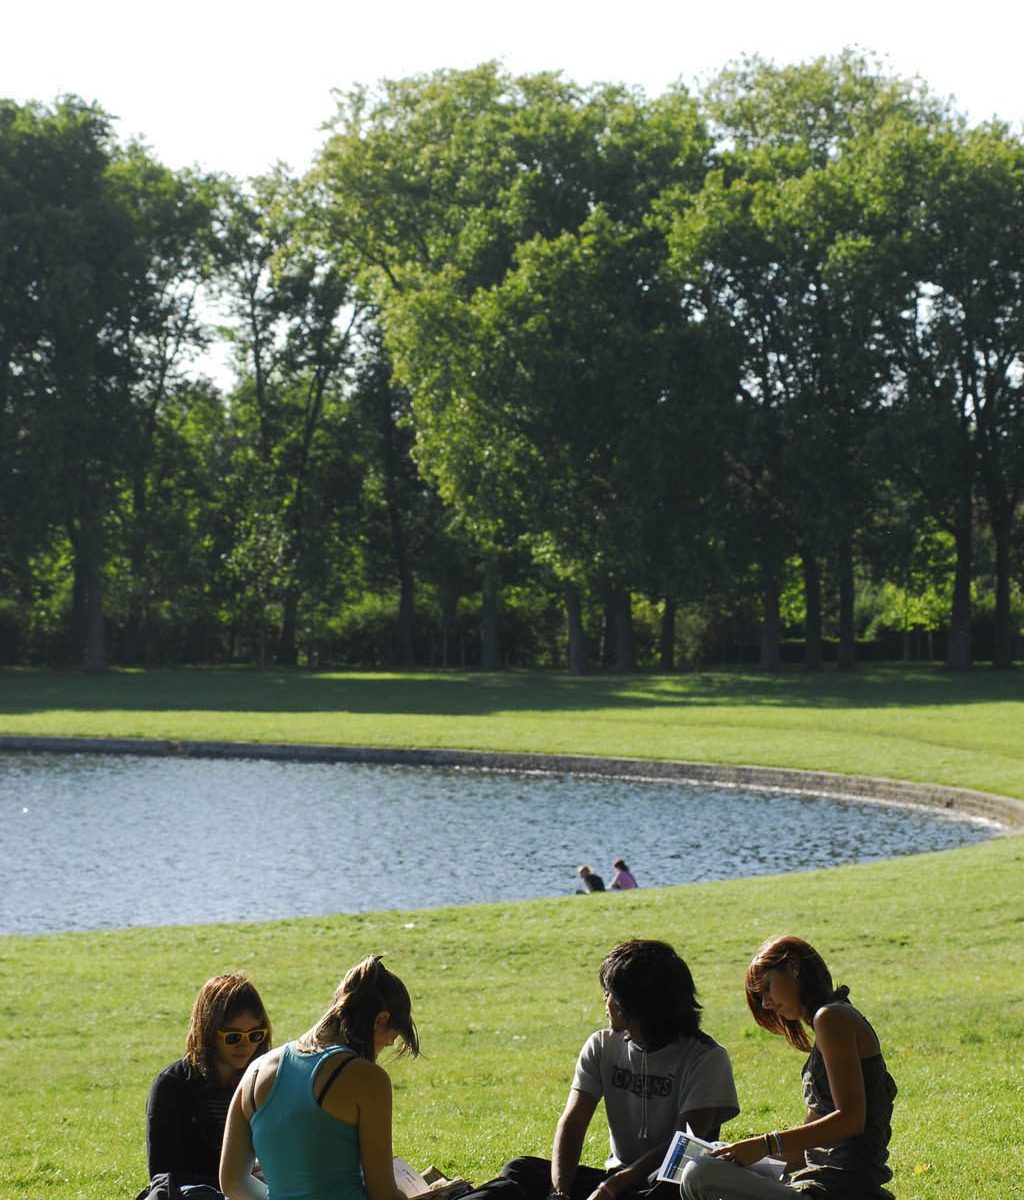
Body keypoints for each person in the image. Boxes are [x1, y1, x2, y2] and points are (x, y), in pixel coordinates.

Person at [496, 939, 739, 1200]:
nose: (605, 1000)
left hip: (665, 1185)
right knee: (520, 1170)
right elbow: (574, 1121)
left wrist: (611, 1188)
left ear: (632, 1005)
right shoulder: (602, 1045)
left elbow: (681, 1144)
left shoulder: (706, 1057)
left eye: (610, 993)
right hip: (616, 1179)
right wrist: (560, 1193)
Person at [679, 936, 897, 1200]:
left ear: (793, 966)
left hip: (839, 1191)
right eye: (760, 997)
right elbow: (803, 1152)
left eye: (767, 988)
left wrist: (765, 1143)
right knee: (715, 1155)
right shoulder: (830, 1022)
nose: (766, 1004)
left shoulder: (832, 1018)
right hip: (815, 1184)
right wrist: (742, 1154)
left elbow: (851, 1120)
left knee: (698, 1173)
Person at [220, 954, 419, 1200]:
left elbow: (231, 1182)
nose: (378, 1054)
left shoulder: (256, 1071)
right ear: (381, 1019)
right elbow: (382, 1194)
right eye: (386, 1044)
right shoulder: (367, 1079)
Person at [146, 973, 272, 1195]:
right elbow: (164, 1176)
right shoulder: (172, 1087)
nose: (245, 1045)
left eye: (255, 1035)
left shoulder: (266, 1081)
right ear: (208, 1032)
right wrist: (237, 1180)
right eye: (233, 1037)